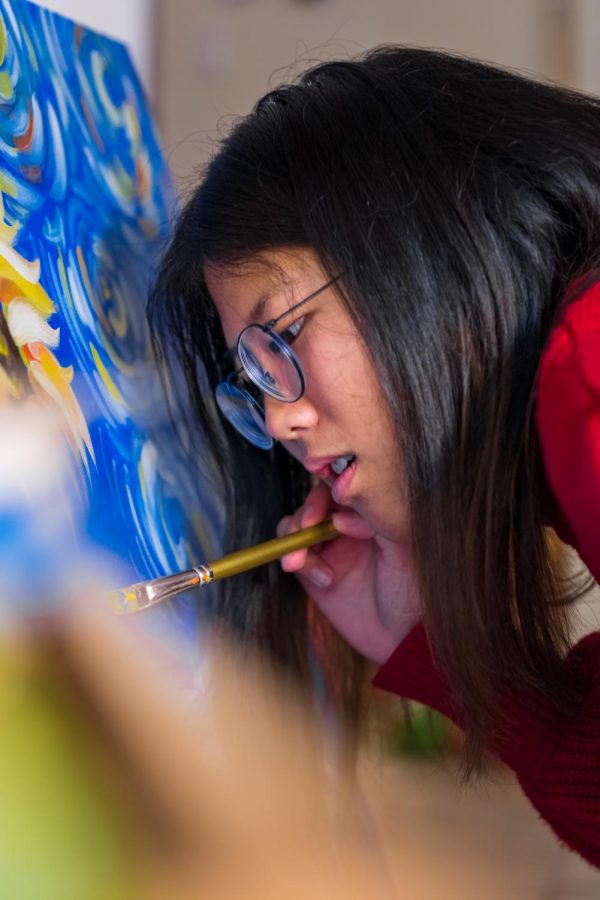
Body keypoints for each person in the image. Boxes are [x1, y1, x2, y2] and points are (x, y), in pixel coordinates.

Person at [147, 46, 600, 867]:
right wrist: (445, 654)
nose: (282, 421)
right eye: (253, 384)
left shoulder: (590, 374)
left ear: (425, 254)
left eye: (282, 339)